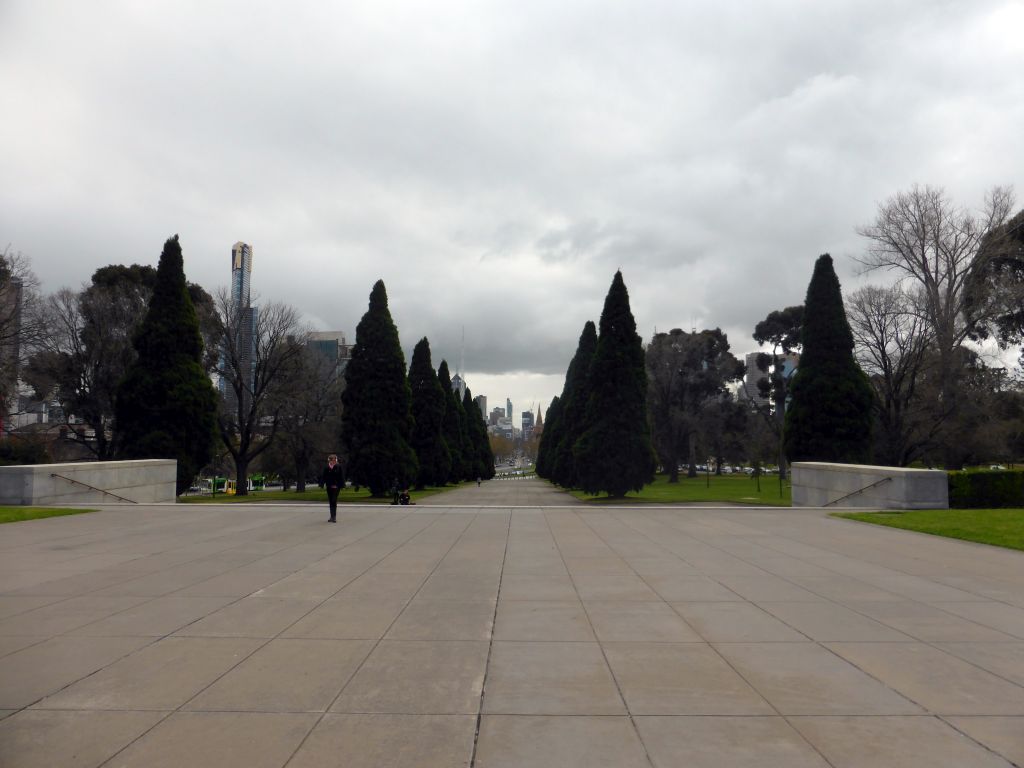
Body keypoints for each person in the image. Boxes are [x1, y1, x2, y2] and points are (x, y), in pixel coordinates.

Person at [319, 454, 345, 522]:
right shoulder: (326, 468)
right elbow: (323, 476)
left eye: (334, 460)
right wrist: (321, 484)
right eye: (331, 460)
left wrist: (342, 485)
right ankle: (331, 516)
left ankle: (334, 517)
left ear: (335, 460)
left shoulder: (338, 467)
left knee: (334, 500)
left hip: (336, 486)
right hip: (329, 486)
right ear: (329, 460)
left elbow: (341, 476)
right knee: (331, 501)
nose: (333, 461)